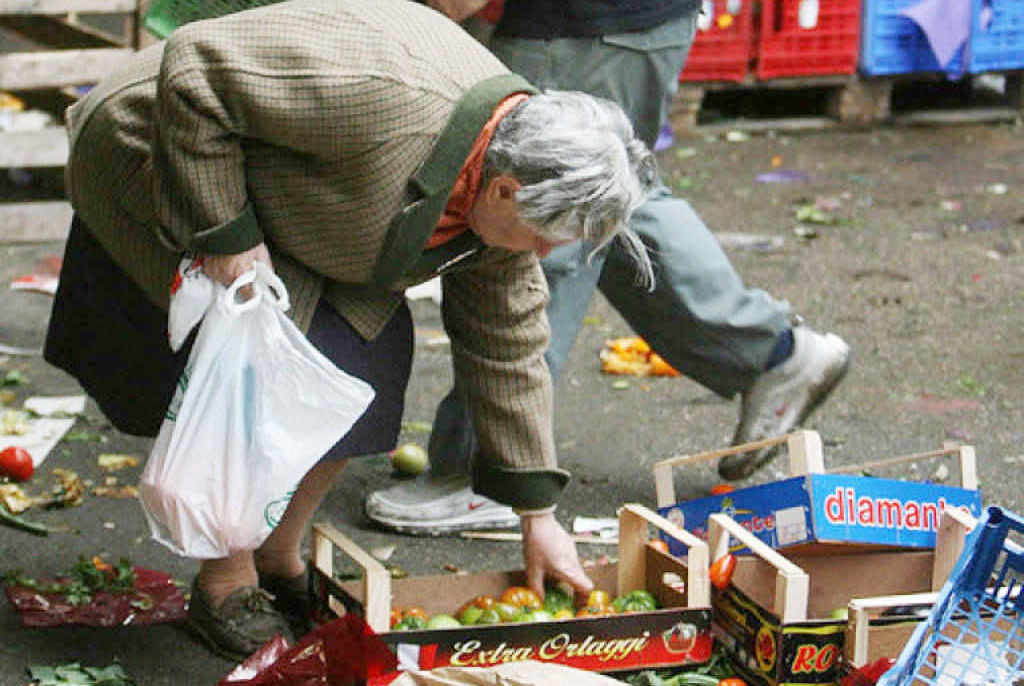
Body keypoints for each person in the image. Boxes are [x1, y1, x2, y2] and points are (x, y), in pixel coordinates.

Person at [43, 0, 659, 662]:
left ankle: (280, 552)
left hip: (304, 197)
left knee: (369, 362)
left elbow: (508, 347)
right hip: (164, 145)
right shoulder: (384, 99)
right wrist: (224, 231)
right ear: (504, 190)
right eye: (541, 235)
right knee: (266, 363)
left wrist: (538, 518)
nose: (539, 253)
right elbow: (195, 70)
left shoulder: (508, 190)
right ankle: (227, 580)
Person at [364, 0, 851, 534]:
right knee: (600, 193)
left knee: (531, 217)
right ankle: (771, 353)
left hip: (585, 25)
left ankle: (488, 475)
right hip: (627, 24)